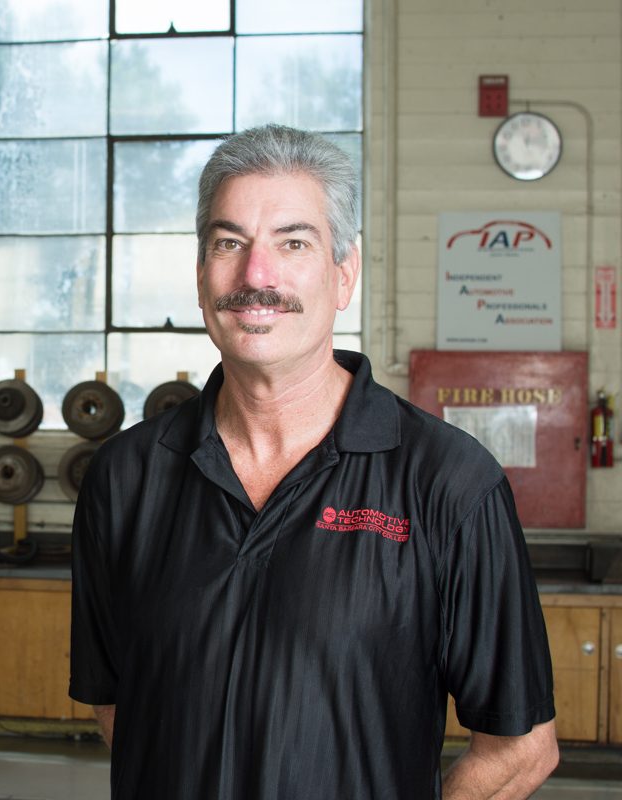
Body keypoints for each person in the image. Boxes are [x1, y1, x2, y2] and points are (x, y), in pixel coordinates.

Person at [69, 124, 558, 799]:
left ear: (343, 273)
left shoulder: (448, 483)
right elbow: (119, 707)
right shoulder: (125, 479)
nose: (256, 276)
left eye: (293, 243)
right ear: (201, 273)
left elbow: (520, 751)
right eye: (229, 243)